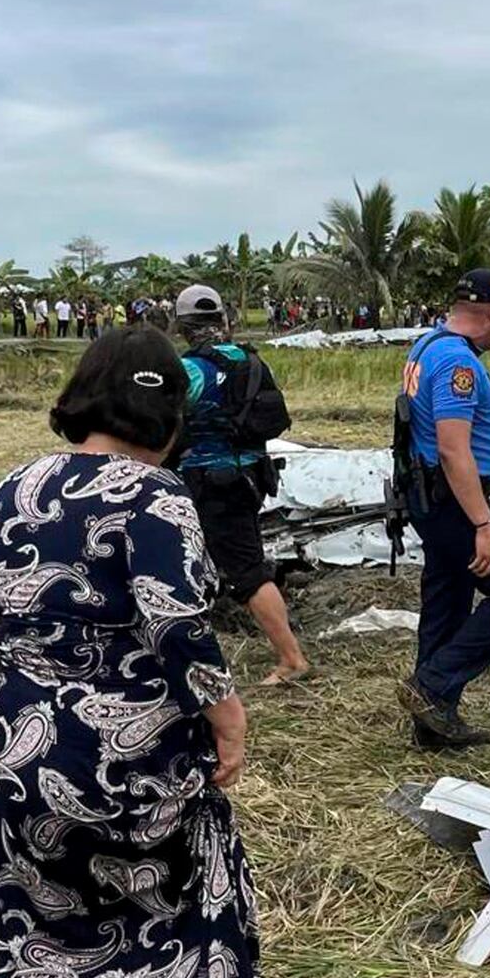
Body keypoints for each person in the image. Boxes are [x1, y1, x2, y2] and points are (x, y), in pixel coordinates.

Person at [0, 327, 260, 978]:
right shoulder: (157, 497)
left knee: (31, 923)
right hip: (128, 768)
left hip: (23, 754)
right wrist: (228, 715)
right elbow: (178, 626)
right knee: (159, 923)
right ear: (170, 415)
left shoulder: (13, 487)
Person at [395, 269, 490, 748]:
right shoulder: (458, 364)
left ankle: (433, 726)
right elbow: (455, 450)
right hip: (455, 501)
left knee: (447, 602)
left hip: (430, 498)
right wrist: (483, 524)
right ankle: (432, 687)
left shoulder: (426, 346)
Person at [172, 285, 309, 687]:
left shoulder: (190, 371)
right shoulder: (250, 361)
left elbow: (168, 425)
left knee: (247, 571)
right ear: (222, 320)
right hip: (250, 475)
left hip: (210, 482)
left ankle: (292, 659)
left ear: (183, 327)